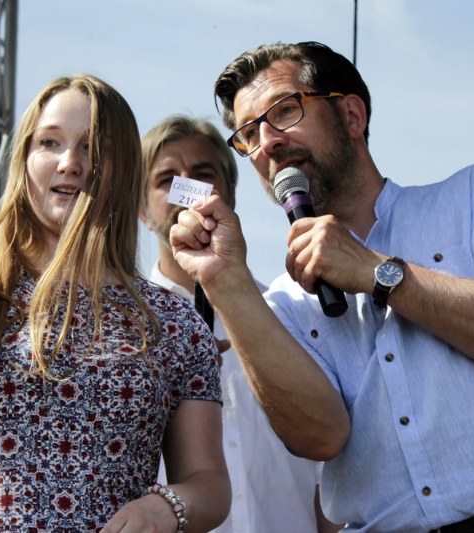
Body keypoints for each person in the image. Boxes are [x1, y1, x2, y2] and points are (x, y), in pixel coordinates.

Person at [169, 41, 474, 532]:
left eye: (284, 111)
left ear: (352, 115)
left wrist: (378, 272)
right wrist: (227, 281)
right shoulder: (281, 303)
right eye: (248, 133)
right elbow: (319, 438)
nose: (267, 142)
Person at [0, 73, 231, 532]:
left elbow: (208, 483)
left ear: (124, 168)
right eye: (49, 143)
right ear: (24, 160)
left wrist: (166, 507)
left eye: (91, 147)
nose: (69, 163)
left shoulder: (174, 321)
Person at [140, 115, 343, 532]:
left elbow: (329, 477)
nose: (187, 189)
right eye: (167, 180)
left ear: (230, 192)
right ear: (142, 210)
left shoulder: (290, 311)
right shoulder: (124, 332)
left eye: (203, 175)